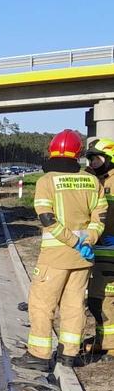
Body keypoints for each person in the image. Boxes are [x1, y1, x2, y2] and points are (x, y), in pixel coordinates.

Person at [13, 129, 106, 371]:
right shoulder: (92, 180)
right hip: (83, 257)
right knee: (74, 305)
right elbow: (100, 216)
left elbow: (47, 219)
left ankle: (39, 355)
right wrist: (88, 239)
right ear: (78, 154)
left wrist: (72, 241)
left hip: (55, 256)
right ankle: (69, 354)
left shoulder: (47, 181)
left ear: (52, 151)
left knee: (42, 304)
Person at [85, 137, 114, 360]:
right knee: (96, 299)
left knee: (105, 299)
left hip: (110, 249)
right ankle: (101, 339)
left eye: (97, 158)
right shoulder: (98, 180)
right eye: (91, 159)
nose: (93, 163)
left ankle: (110, 346)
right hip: (100, 248)